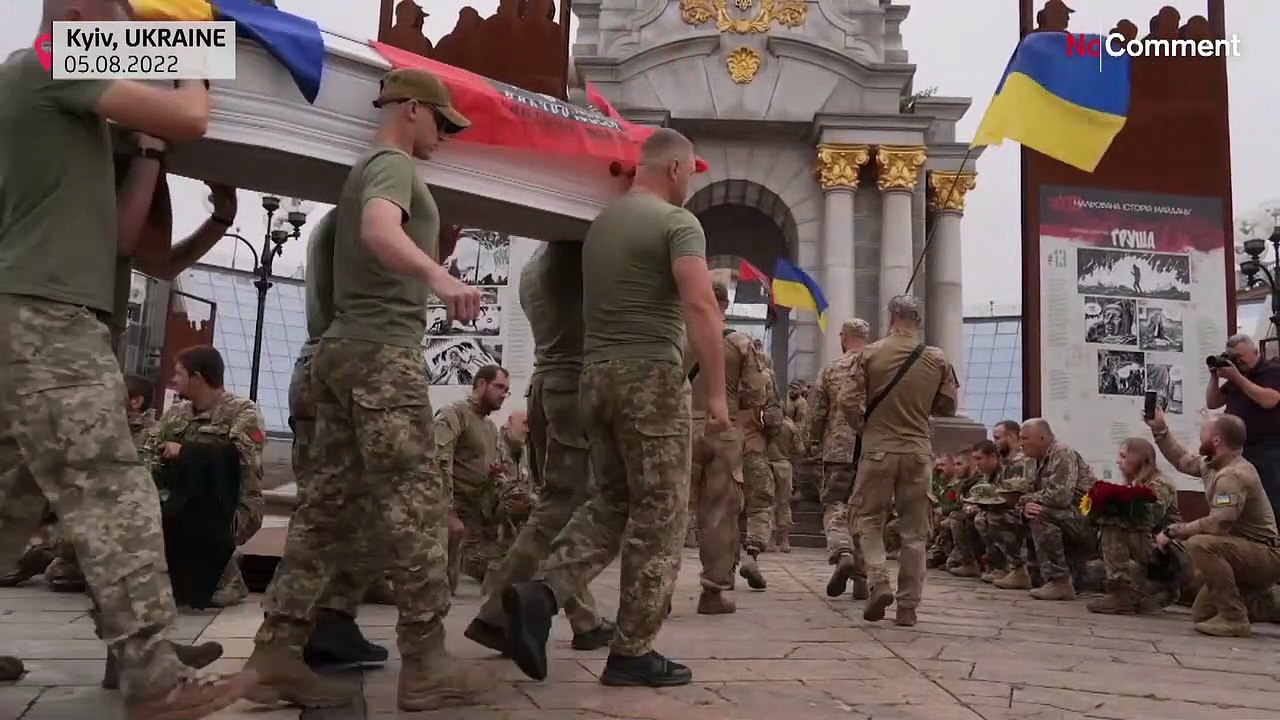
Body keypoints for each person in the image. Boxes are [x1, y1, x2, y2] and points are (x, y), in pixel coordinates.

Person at [0, 1, 253, 715]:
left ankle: (140, 656)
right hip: (48, 317)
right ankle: (152, 675)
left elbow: (128, 246)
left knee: (9, 501)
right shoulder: (51, 59)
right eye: (123, 12)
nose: (133, 24)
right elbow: (194, 117)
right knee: (113, 490)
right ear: (80, 14)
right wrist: (198, 41)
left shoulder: (52, 91)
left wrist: (145, 152)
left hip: (35, 313)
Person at [245, 67, 491, 711]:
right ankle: (427, 662)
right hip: (382, 356)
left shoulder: (362, 171)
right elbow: (380, 231)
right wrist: (440, 277)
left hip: (340, 354)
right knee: (417, 508)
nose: (445, 136)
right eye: (441, 122)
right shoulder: (392, 164)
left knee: (324, 512)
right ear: (411, 109)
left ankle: (275, 652)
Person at [501, 128, 727, 687]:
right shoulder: (678, 223)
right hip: (650, 378)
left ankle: (541, 594)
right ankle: (632, 652)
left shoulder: (599, 226)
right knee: (660, 515)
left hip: (594, 380)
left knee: (609, 504)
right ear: (674, 169)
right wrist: (717, 396)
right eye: (688, 174)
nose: (688, 185)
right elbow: (700, 305)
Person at [464, 241, 615, 656]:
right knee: (573, 508)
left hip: (548, 383)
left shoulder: (535, 264)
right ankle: (498, 613)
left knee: (557, 508)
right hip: (573, 386)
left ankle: (575, 618)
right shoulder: (576, 256)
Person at [287, 209, 388, 668]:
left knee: (329, 504)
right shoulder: (365, 217)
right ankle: (320, 621)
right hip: (343, 364)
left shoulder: (335, 220)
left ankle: (318, 620)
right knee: (349, 507)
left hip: (319, 361)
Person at [837, 295, 958, 627]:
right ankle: (907, 608)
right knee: (915, 533)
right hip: (918, 452)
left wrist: (864, 427)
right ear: (918, 320)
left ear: (891, 318)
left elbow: (847, 400)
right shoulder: (937, 358)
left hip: (878, 450)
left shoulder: (868, 354)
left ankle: (878, 579)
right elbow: (948, 405)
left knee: (866, 520)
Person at [140, 346, 266, 608]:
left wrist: (186, 452)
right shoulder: (177, 414)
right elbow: (149, 449)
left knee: (191, 509)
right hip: (179, 496)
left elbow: (241, 459)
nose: (174, 379)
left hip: (231, 504)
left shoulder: (243, 412)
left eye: (179, 374)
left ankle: (227, 577)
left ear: (197, 377)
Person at [1145, 409, 1280, 637]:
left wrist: (1173, 532)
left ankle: (1233, 618)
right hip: (1239, 551)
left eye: (1203, 432)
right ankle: (1268, 604)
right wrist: (1160, 430)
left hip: (1265, 554)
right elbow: (1182, 460)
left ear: (1217, 440)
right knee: (1203, 615)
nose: (1199, 436)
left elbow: (1218, 524)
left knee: (1200, 544)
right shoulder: (1213, 464)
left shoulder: (1233, 476)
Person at [686, 281, 770, 613]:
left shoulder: (679, 337)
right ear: (724, 303)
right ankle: (713, 592)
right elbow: (757, 395)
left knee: (672, 509)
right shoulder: (740, 343)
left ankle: (657, 592)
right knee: (720, 514)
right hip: (724, 429)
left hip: (681, 428)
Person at [808, 319, 872, 600]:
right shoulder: (878, 368)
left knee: (835, 505)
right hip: (871, 449)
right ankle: (861, 578)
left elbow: (817, 413)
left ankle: (842, 552)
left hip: (838, 450)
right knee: (865, 513)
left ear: (844, 338)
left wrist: (813, 441)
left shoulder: (831, 369)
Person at [1087, 437, 1179, 615]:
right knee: (1091, 570)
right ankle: (1129, 590)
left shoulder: (1160, 483)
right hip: (1143, 543)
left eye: (1124, 456)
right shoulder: (1136, 483)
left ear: (1140, 459)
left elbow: (1148, 518)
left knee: (1111, 524)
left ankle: (1121, 593)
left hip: (1162, 548)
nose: (1118, 461)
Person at [436, 364, 510, 583]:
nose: (503, 394)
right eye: (499, 387)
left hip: (477, 512)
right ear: (481, 384)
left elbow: (493, 471)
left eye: (507, 390)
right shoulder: (454, 414)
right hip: (451, 508)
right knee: (440, 585)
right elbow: (438, 463)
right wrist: (448, 511)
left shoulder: (490, 428)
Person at [1016, 419, 1099, 601]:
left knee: (1040, 514)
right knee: (1024, 513)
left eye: (1025, 438)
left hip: (1085, 518)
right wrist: (1024, 506)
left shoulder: (1062, 453)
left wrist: (1028, 500)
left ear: (1042, 438)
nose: (1020, 443)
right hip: (1064, 515)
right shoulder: (1031, 461)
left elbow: (1060, 497)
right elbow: (1026, 492)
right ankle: (1027, 572)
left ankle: (1059, 581)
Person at [1206, 334, 1280, 516]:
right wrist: (1214, 376)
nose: (1237, 362)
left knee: (1270, 499)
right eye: (1233, 357)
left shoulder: (1272, 372)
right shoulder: (1237, 377)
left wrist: (1237, 377)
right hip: (1237, 448)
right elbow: (1213, 402)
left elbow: (1270, 400)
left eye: (1240, 357)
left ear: (1255, 352)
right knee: (1235, 494)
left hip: (1267, 450)